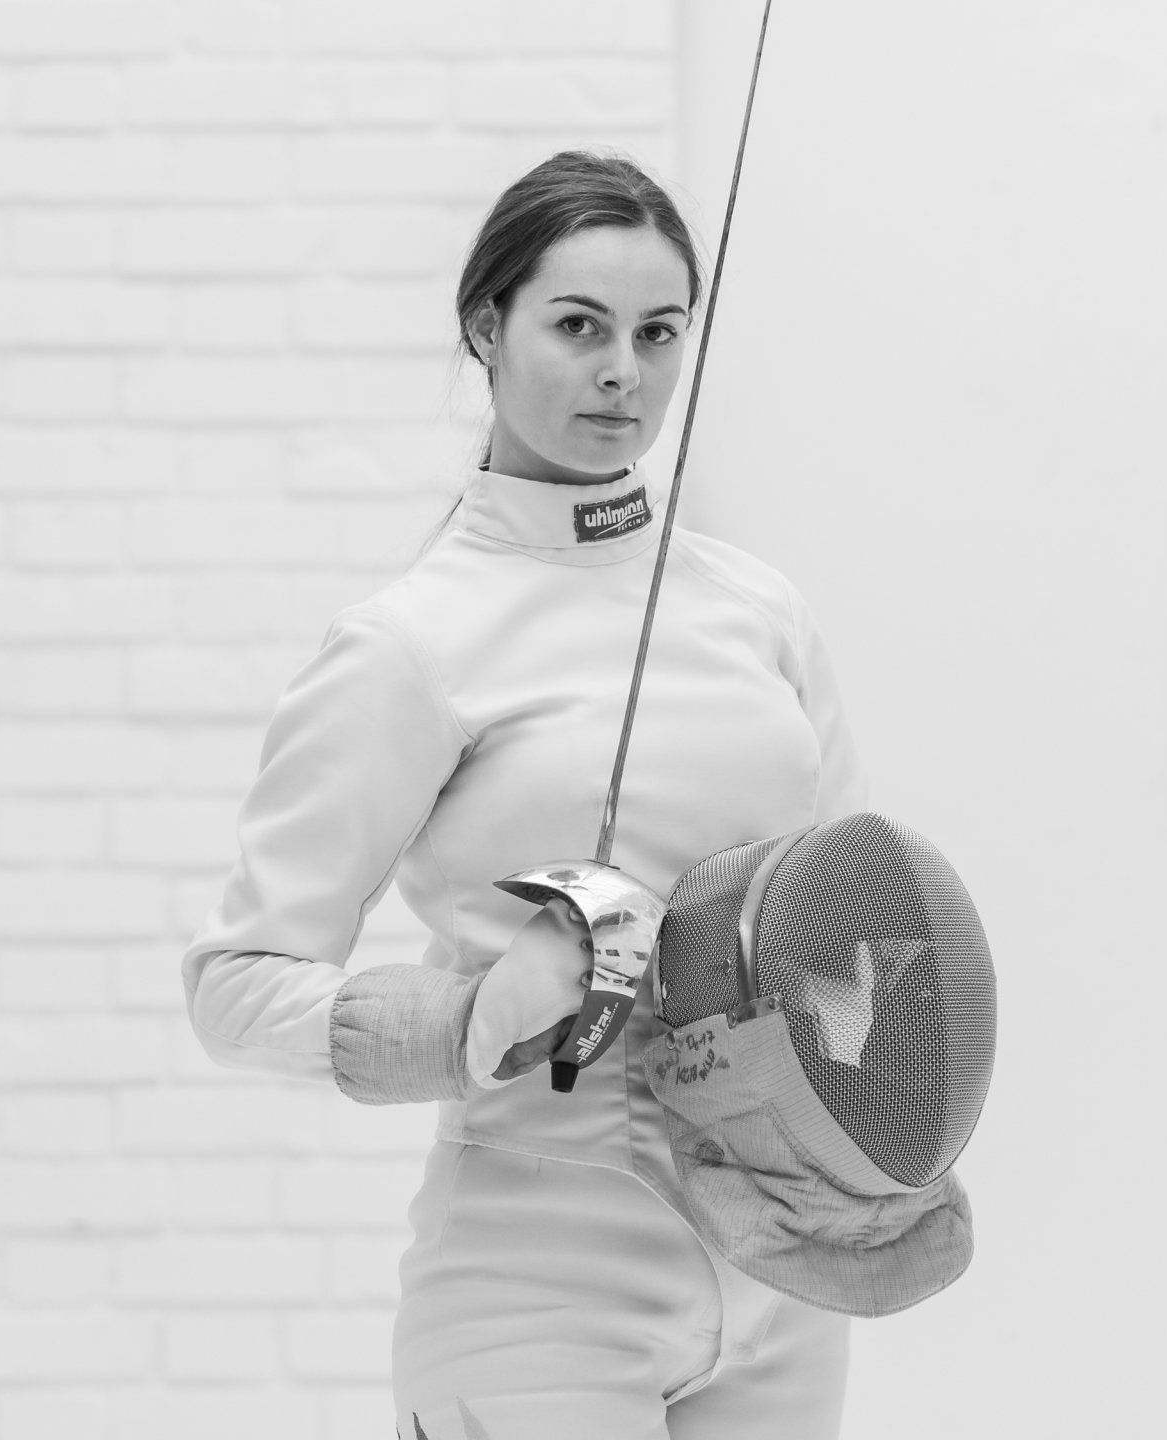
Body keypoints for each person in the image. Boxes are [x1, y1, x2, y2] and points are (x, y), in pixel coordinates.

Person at [181, 149, 869, 1440]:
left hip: (782, 1258)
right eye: (579, 326)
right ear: (487, 327)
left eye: (658, 332)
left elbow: (845, 914)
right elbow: (236, 988)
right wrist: (467, 1019)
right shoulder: (411, 642)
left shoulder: (758, 612)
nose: (624, 372)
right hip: (537, 1281)